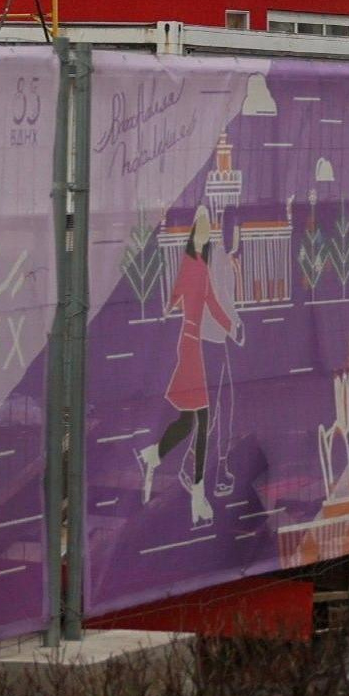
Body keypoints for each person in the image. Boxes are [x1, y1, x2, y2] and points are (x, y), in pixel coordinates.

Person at [139, 208, 243, 525]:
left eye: (206, 229)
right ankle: (197, 496)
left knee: (190, 421)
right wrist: (168, 310)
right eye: (200, 229)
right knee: (201, 421)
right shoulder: (193, 265)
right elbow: (185, 296)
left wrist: (231, 328)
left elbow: (207, 299)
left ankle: (154, 455)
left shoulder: (200, 266)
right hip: (193, 347)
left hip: (196, 345)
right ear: (193, 234)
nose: (204, 234)